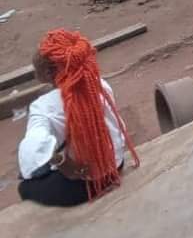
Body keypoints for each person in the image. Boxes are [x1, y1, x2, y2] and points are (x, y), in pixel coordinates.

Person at [17, 29, 139, 207]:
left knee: (25, 185)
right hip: (115, 164)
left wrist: (61, 162)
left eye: (37, 69)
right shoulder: (98, 84)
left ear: (50, 73)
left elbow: (31, 152)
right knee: (48, 153)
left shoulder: (44, 108)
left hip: (85, 183)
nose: (34, 73)